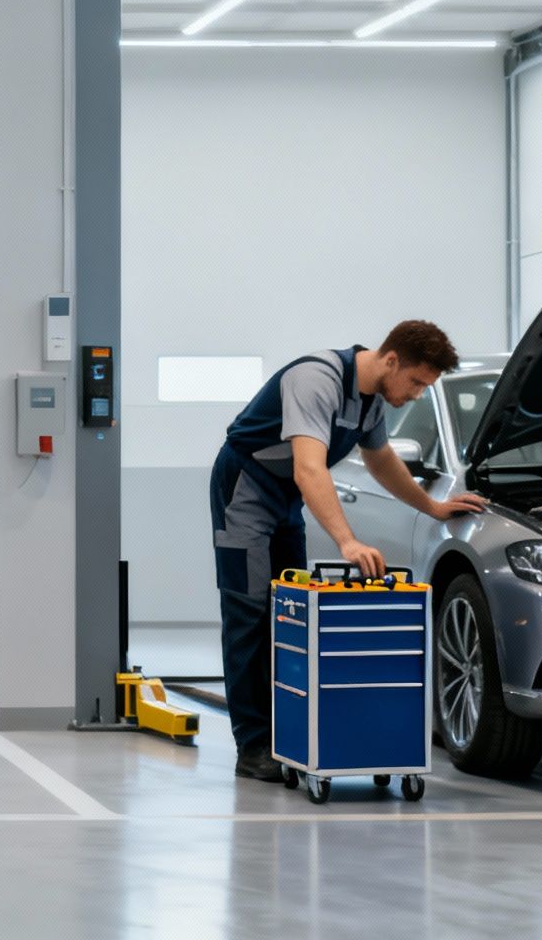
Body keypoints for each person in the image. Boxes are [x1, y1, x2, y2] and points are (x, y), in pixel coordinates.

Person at [211, 320, 485, 783]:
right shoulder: (315, 380)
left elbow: (381, 461)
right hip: (246, 491)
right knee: (249, 612)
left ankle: (287, 735)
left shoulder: (373, 399)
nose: (417, 394)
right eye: (417, 382)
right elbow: (309, 469)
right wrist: (347, 541)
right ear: (391, 360)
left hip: (284, 499)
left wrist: (434, 507)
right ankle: (252, 745)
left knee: (286, 612)